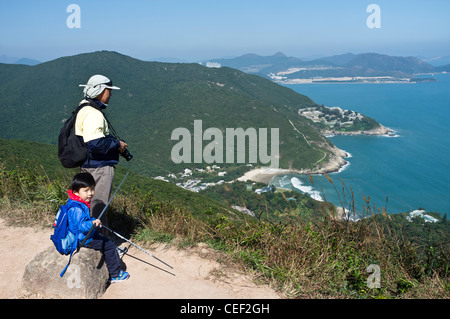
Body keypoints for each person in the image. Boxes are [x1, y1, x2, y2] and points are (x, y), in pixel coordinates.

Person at [75, 74, 128, 233]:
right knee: (99, 206)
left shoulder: (83, 107)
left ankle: (87, 236)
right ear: (99, 91)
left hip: (88, 165)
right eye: (108, 90)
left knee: (89, 204)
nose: (110, 94)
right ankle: (102, 244)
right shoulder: (93, 114)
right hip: (99, 167)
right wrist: (117, 144)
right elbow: (96, 144)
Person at [67, 172, 130, 283]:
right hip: (82, 238)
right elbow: (80, 226)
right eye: (86, 191)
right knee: (109, 246)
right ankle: (115, 274)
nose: (90, 193)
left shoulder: (75, 201)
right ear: (76, 192)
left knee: (103, 239)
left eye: (92, 189)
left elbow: (82, 221)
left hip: (81, 235)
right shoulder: (77, 208)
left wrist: (92, 221)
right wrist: (92, 224)